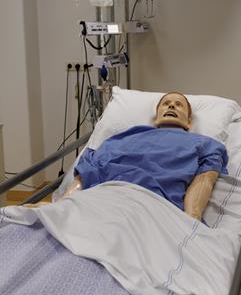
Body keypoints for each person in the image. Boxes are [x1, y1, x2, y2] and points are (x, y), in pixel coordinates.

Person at [59, 92, 228, 220]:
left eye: (179, 105)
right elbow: (88, 171)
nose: (171, 106)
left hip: (153, 206)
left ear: (189, 122)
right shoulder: (123, 137)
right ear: (155, 117)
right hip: (102, 199)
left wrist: (191, 221)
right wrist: (63, 206)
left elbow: (204, 181)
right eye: (166, 104)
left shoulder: (205, 144)